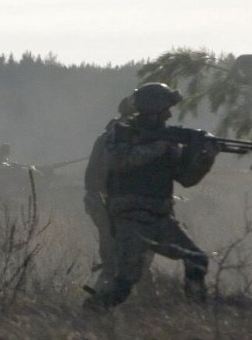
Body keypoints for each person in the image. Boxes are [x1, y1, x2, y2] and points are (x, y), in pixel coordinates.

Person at [84, 82, 219, 310]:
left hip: (160, 217)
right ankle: (90, 314)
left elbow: (186, 178)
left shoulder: (165, 139)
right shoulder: (121, 133)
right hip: (132, 218)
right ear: (151, 110)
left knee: (197, 260)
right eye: (164, 109)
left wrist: (204, 157)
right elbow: (119, 161)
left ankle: (197, 312)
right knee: (124, 282)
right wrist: (160, 147)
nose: (168, 114)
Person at [83, 94, 136, 271]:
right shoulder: (111, 139)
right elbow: (92, 181)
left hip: (114, 205)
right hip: (107, 204)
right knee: (116, 256)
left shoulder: (110, 138)